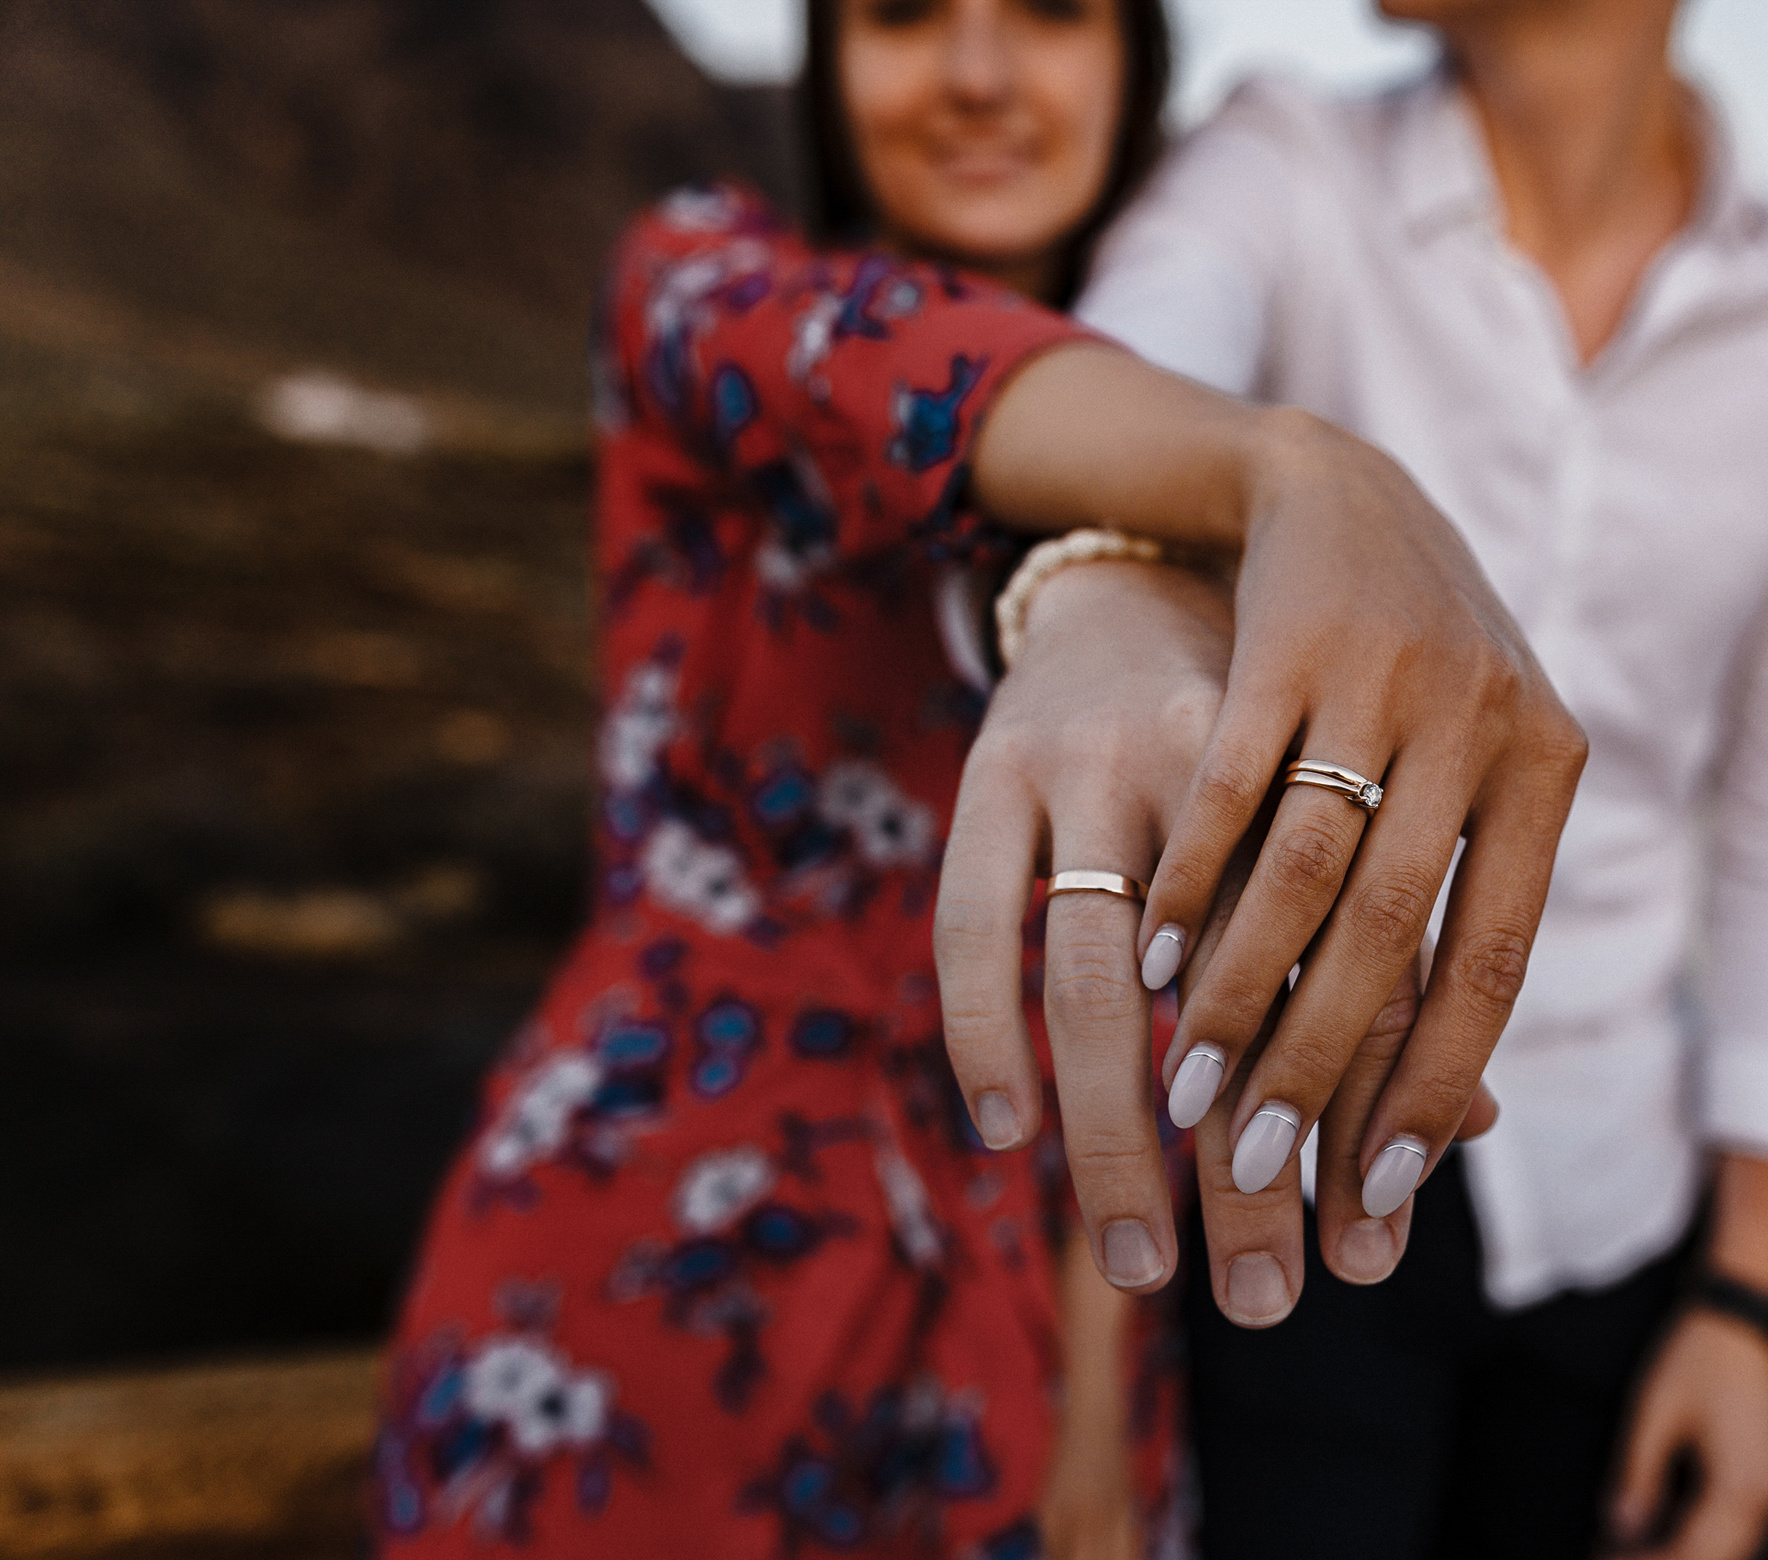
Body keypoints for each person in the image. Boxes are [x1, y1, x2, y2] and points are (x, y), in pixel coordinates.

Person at [370, 1, 1581, 1555]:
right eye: (902, 12)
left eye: (1054, 12)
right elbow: (892, 374)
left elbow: (1145, 978)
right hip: (637, 1298)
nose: (979, 75)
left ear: (1136, 57)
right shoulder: (705, 281)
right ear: (829, 59)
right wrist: (1291, 469)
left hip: (1038, 1329)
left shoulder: (1194, 420)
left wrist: (1094, 1392)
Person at [1071, 1, 1768, 1557]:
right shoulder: (1288, 161)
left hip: (1630, 1188)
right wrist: (1130, 573)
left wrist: (1753, 1287)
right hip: (1290, 1174)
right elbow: (1133, 364)